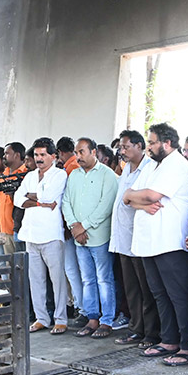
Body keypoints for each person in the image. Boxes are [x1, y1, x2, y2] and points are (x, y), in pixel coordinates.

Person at [124, 123, 188, 367]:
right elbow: (128, 195)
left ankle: (187, 346)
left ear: (167, 143)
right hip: (148, 242)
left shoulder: (176, 164)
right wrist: (141, 203)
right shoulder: (152, 166)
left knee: (178, 295)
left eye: (153, 142)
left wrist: (142, 199)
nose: (149, 146)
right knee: (159, 294)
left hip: (170, 242)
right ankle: (169, 340)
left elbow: (151, 195)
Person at [62, 137, 119, 338]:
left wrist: (82, 226)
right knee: (87, 280)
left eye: (82, 152)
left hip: (99, 236)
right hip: (80, 238)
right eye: (76, 153)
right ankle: (92, 319)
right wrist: (74, 226)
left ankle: (107, 321)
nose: (78, 156)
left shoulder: (108, 175)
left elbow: (106, 206)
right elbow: (66, 201)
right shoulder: (74, 175)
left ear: (93, 152)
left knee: (104, 279)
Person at [110, 130, 160, 348]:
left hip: (140, 238)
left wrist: (132, 199)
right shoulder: (125, 170)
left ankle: (150, 333)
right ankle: (135, 329)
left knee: (145, 288)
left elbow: (145, 201)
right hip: (123, 238)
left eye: (126, 146)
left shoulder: (149, 168)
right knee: (130, 287)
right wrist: (130, 199)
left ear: (140, 146)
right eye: (121, 147)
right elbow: (124, 200)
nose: (122, 151)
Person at [16, 140, 69, 333]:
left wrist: (33, 197)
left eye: (43, 155)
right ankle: (41, 318)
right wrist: (39, 201)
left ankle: (61, 319)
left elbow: (50, 197)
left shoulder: (60, 175)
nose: (39, 159)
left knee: (57, 280)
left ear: (53, 156)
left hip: (51, 234)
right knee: (35, 279)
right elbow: (17, 199)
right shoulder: (30, 176)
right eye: (36, 155)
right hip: (31, 233)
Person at [0, 143, 28, 253]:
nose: (4, 157)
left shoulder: (27, 174)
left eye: (7, 153)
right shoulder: (3, 175)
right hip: (4, 229)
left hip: (20, 229)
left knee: (23, 265)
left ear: (16, 155)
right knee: (9, 266)